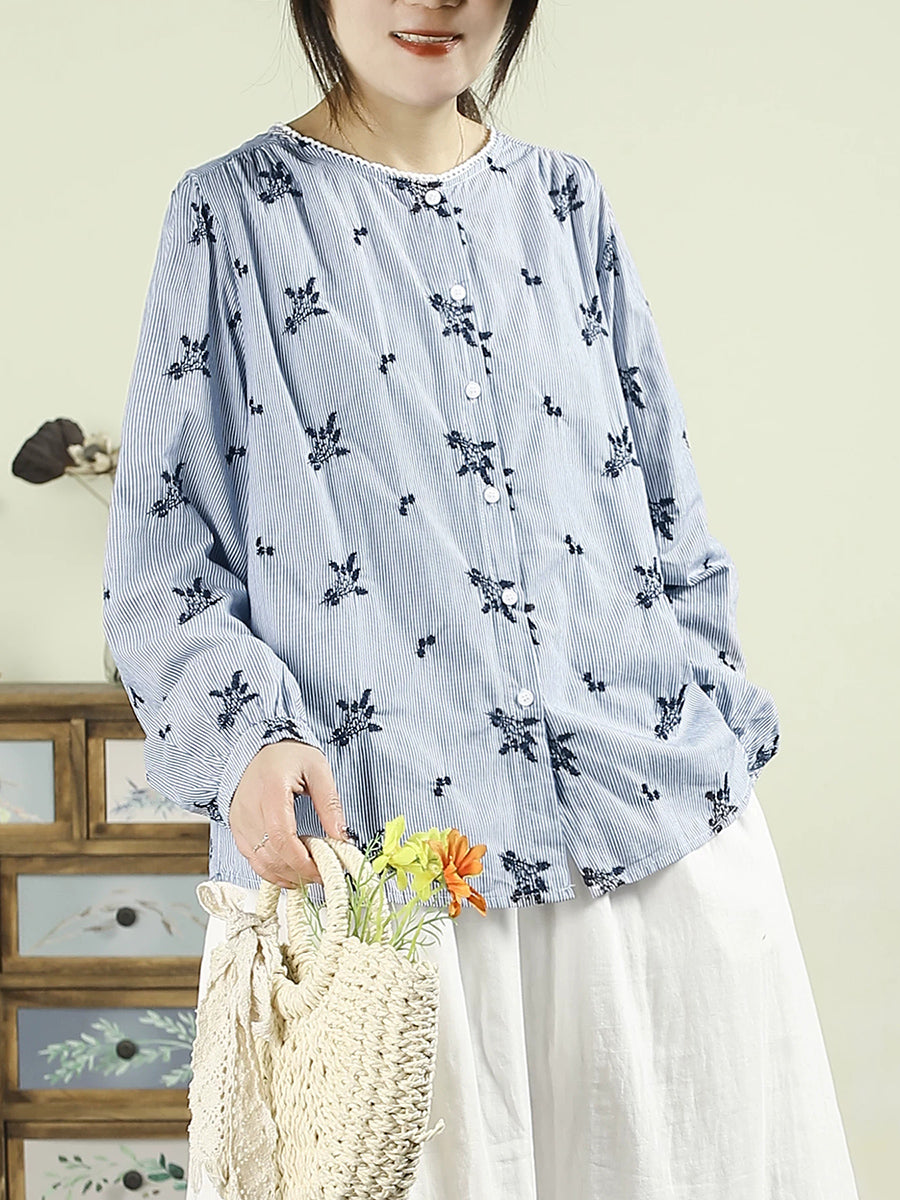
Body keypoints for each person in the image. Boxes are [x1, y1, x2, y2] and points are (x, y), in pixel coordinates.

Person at [102, 1, 861, 1196]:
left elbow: (664, 500)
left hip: (644, 846)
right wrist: (247, 739)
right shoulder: (231, 214)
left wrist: (711, 717)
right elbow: (161, 561)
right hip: (392, 868)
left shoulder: (566, 201)